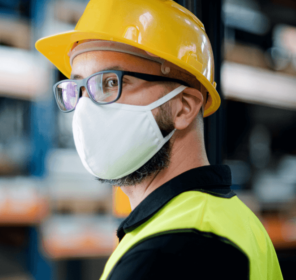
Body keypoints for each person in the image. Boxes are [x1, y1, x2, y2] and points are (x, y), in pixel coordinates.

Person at [36, 0, 283, 279]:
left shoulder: (167, 252)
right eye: (78, 87)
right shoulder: (234, 219)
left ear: (184, 106)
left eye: (110, 83)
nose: (85, 108)